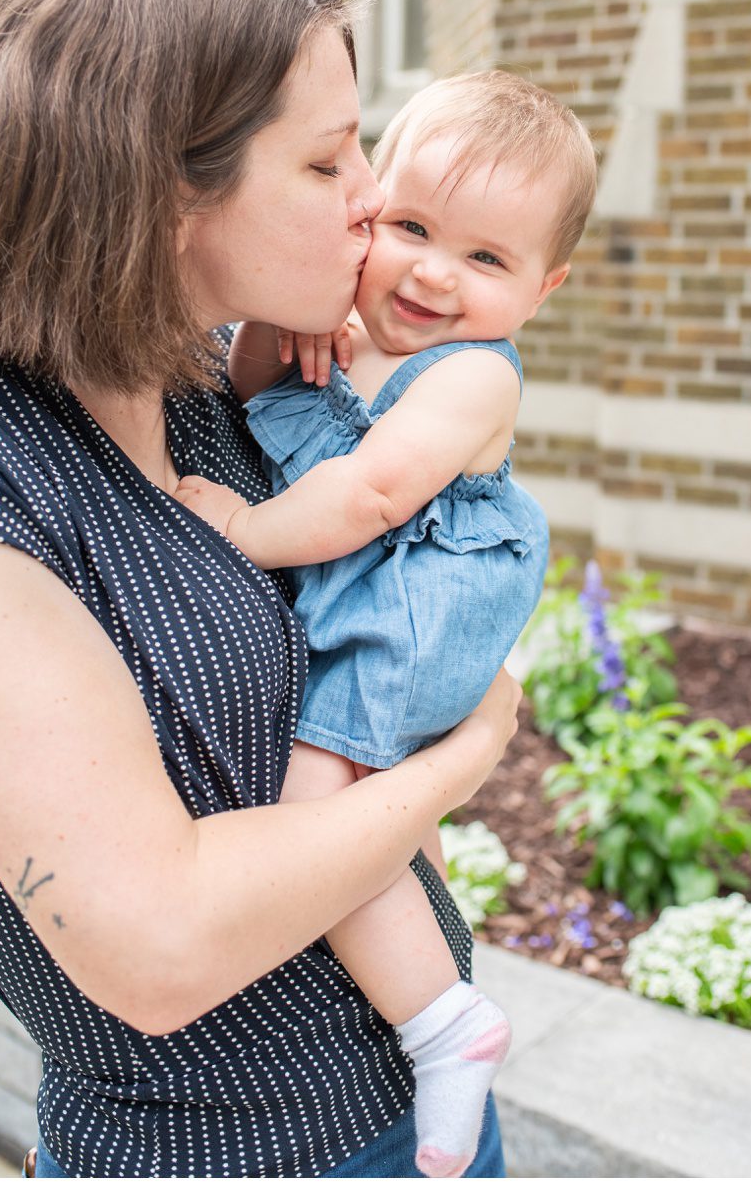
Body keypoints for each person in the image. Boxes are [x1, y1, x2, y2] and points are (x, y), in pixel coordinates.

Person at [0, 0, 521, 1177]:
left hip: (413, 1107)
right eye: (326, 164)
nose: (376, 197)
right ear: (157, 186)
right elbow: (157, 945)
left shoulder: (207, 380)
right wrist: (466, 753)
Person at [174, 71, 596, 1176]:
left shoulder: (470, 380)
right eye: (411, 227)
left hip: (417, 607)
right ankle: (429, 980)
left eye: (485, 259)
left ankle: (442, 1023)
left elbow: (367, 496)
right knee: (368, 813)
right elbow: (251, 380)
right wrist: (280, 320)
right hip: (365, 601)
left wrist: (243, 531)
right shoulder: (353, 331)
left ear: (542, 289)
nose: (432, 273)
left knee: (315, 813)